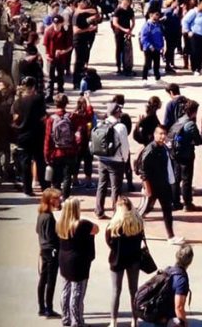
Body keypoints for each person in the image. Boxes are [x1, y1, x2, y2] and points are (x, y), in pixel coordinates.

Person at [137, 125, 185, 245]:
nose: (163, 136)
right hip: (152, 186)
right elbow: (143, 170)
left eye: (164, 134)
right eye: (160, 134)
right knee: (144, 210)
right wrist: (147, 188)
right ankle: (128, 229)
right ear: (155, 135)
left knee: (167, 210)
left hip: (164, 185)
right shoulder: (150, 149)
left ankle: (171, 236)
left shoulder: (163, 148)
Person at [57, 197, 99, 327]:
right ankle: (77, 322)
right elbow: (96, 229)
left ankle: (66, 318)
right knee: (77, 293)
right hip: (78, 262)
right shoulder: (82, 224)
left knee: (65, 290)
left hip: (64, 258)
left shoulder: (60, 223)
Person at [105, 197, 144, 327]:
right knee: (134, 291)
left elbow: (109, 243)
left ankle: (113, 321)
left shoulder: (113, 226)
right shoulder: (138, 223)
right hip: (134, 260)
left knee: (116, 291)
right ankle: (135, 321)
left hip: (117, 260)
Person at [94, 103, 131, 219]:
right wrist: (125, 159)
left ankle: (99, 211)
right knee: (116, 188)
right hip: (116, 161)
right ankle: (116, 212)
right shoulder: (121, 127)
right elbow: (125, 145)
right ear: (117, 112)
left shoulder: (101, 123)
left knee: (102, 185)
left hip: (102, 159)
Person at [14, 76, 49, 196]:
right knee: (40, 161)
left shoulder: (18, 101)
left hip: (23, 135)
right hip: (37, 134)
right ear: (33, 86)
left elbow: (15, 119)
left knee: (25, 162)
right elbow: (43, 117)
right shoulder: (38, 99)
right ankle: (44, 187)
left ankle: (27, 188)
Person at [44, 94, 79, 199]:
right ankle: (65, 198)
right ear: (66, 103)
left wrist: (47, 155)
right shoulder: (72, 117)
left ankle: (56, 200)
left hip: (56, 152)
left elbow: (48, 139)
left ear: (55, 104)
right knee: (67, 176)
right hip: (70, 151)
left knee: (56, 179)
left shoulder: (51, 119)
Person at [36, 188, 63, 318]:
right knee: (50, 280)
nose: (59, 200)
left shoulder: (41, 215)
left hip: (43, 249)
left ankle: (42, 307)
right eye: (57, 198)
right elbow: (52, 236)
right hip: (51, 250)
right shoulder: (49, 217)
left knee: (43, 279)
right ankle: (49, 308)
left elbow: (38, 231)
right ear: (51, 200)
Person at [163, 245, 195, 326]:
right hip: (167, 319)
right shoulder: (181, 280)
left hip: (158, 315)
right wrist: (185, 324)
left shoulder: (168, 270)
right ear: (190, 261)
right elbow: (179, 308)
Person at [112, 0, 136, 76]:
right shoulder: (118, 10)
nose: (128, 2)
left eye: (129, 1)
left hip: (127, 31)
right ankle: (118, 67)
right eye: (126, 1)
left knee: (127, 49)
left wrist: (130, 30)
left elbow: (133, 22)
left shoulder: (130, 10)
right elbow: (115, 23)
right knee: (119, 49)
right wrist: (124, 29)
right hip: (119, 32)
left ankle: (127, 66)